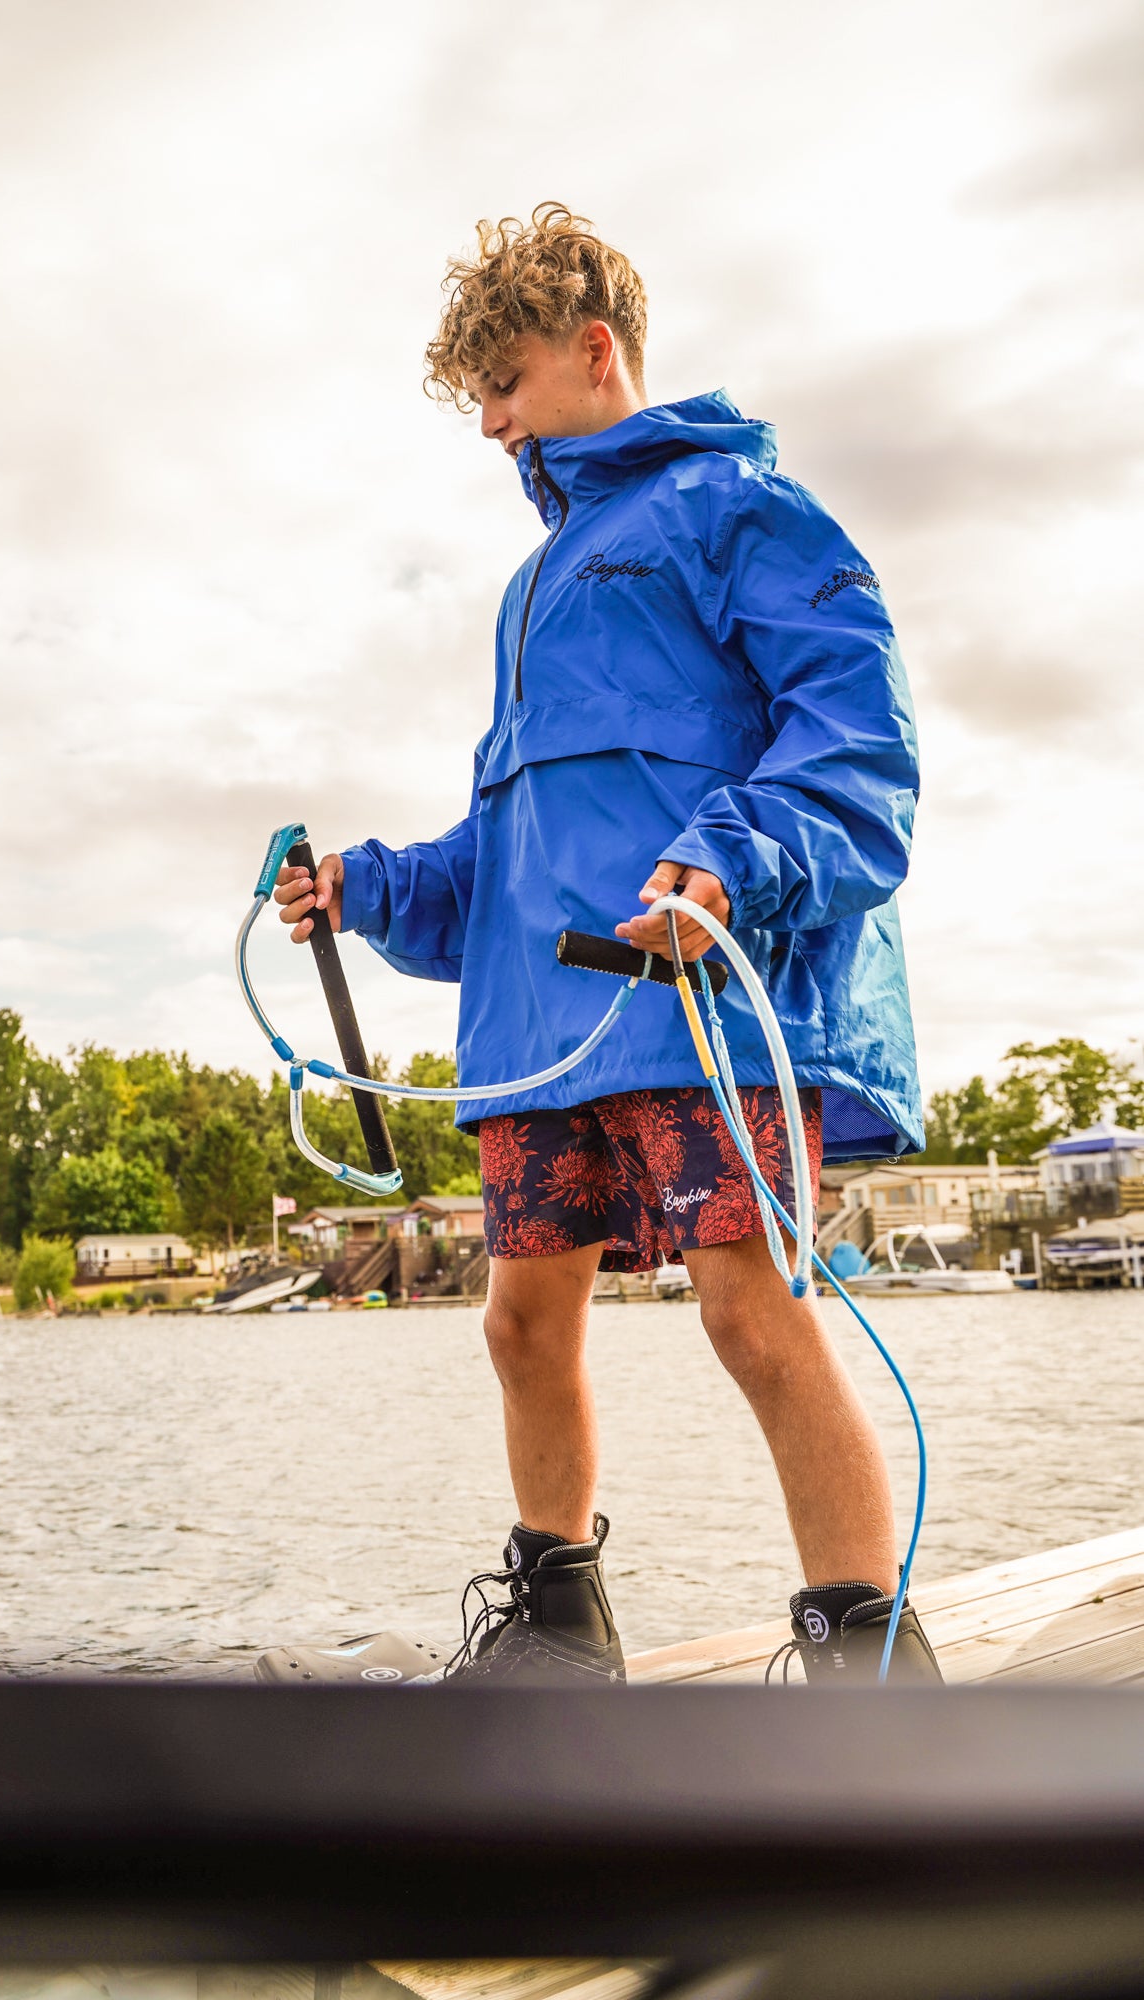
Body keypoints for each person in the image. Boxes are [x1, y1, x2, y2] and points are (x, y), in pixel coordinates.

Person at [274, 204, 941, 1685]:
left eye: (506, 384)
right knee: (519, 1320)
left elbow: (857, 747)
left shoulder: (736, 508)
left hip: (692, 1002)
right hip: (540, 1036)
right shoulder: (529, 591)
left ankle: (865, 1661)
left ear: (595, 350)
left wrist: (726, 862)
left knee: (748, 1313)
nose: (495, 422)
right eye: (479, 402)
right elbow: (502, 864)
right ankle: (559, 1623)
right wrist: (367, 886)